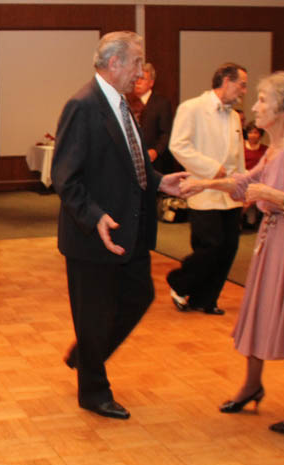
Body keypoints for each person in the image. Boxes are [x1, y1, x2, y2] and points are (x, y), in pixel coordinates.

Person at [181, 72, 284, 435]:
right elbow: (244, 183)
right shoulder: (276, 147)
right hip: (276, 238)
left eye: (262, 100)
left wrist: (269, 194)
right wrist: (202, 183)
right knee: (261, 308)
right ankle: (252, 385)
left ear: (283, 109)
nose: (255, 106)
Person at [52, 31, 188, 420]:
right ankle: (93, 391)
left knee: (139, 295)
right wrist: (94, 216)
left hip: (129, 231)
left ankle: (86, 355)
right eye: (136, 63)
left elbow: (130, 163)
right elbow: (66, 177)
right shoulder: (83, 105)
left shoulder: (122, 104)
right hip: (93, 235)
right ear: (114, 64)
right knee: (93, 315)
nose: (141, 71)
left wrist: (161, 181)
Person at [168, 62, 248, 315]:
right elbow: (178, 145)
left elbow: (239, 157)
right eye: (241, 84)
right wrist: (212, 168)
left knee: (229, 248)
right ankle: (180, 283)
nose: (244, 91)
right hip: (203, 191)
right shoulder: (191, 108)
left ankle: (205, 299)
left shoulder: (235, 116)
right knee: (210, 247)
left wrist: (244, 186)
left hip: (230, 193)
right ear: (225, 80)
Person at [130, 63, 174, 173]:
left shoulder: (161, 103)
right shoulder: (126, 102)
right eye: (136, 78)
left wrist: (155, 151)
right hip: (132, 162)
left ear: (151, 83)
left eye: (142, 78)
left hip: (155, 162)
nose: (138, 82)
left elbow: (167, 133)